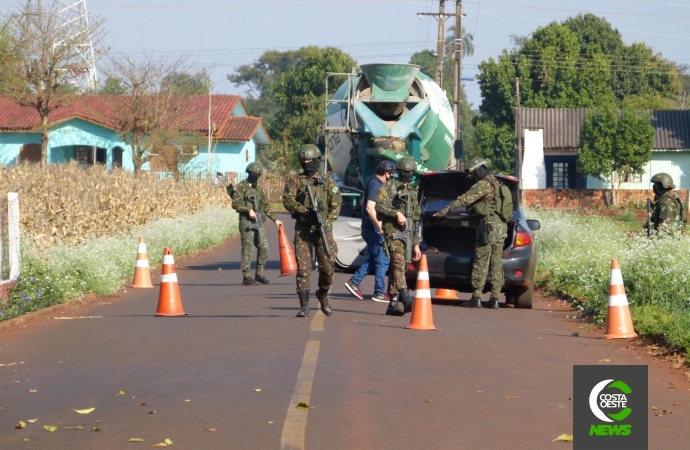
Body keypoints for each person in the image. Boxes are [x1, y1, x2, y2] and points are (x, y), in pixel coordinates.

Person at [433, 158, 508, 309]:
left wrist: (445, 210)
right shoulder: (499, 183)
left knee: (481, 262)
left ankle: (476, 297)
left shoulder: (483, 184)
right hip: (501, 227)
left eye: (474, 173)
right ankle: (494, 298)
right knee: (496, 263)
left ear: (480, 170)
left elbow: (465, 199)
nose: (473, 176)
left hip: (488, 227)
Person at [283, 144, 342, 317]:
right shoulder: (295, 180)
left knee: (328, 268)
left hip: (323, 230)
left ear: (316, 161)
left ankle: (323, 294)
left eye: (309, 160)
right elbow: (287, 201)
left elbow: (336, 204)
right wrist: (304, 211)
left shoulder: (327, 182)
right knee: (303, 269)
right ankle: (304, 306)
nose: (306, 163)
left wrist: (326, 221)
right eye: (303, 160)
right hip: (303, 230)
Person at [374, 156, 421, 316]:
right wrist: (396, 214)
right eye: (404, 171)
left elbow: (415, 220)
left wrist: (416, 244)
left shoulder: (412, 192)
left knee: (399, 265)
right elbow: (379, 206)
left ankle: (393, 303)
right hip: (393, 231)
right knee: (399, 262)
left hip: (408, 234)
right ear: (398, 172)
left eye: (410, 172)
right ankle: (405, 296)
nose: (407, 174)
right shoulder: (389, 187)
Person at [344, 161, 396, 302]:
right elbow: (368, 207)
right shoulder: (376, 184)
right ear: (387, 173)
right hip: (373, 230)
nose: (392, 177)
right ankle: (379, 291)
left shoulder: (372, 182)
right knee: (383, 260)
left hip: (369, 228)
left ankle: (354, 282)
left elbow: (362, 202)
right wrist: (379, 226)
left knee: (375, 258)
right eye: (391, 174)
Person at [231, 162, 282, 286]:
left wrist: (275, 219)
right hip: (246, 221)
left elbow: (265, 205)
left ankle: (259, 274)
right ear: (249, 173)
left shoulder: (258, 188)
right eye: (254, 174)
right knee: (248, 248)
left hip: (258, 220)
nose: (256, 176)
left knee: (264, 246)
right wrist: (248, 210)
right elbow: (235, 204)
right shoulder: (241, 186)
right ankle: (246, 276)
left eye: (258, 174)